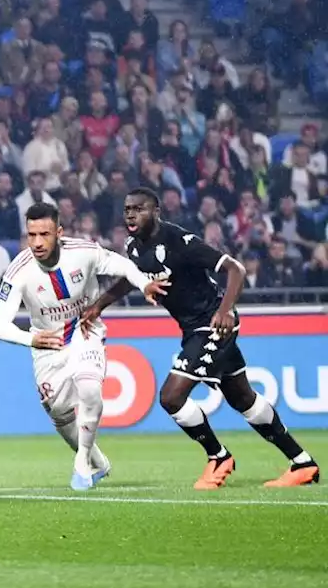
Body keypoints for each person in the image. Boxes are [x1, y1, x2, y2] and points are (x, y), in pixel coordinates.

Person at [83, 188, 319, 489]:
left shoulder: (180, 241)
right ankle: (302, 463)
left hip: (213, 324)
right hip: (193, 328)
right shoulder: (133, 247)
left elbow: (236, 269)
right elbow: (132, 279)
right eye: (127, 208)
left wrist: (224, 312)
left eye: (139, 208)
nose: (130, 213)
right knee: (242, 396)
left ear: (156, 211)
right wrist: (98, 305)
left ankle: (218, 456)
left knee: (171, 396)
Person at [0, 203, 167, 490]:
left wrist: (144, 283)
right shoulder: (18, 272)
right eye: (31, 235)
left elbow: (121, 264)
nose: (37, 242)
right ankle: (98, 461)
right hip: (47, 344)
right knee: (59, 412)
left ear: (59, 232)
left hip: (85, 328)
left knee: (89, 389)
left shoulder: (83, 252)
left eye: (44, 234)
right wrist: (31, 339)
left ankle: (82, 462)